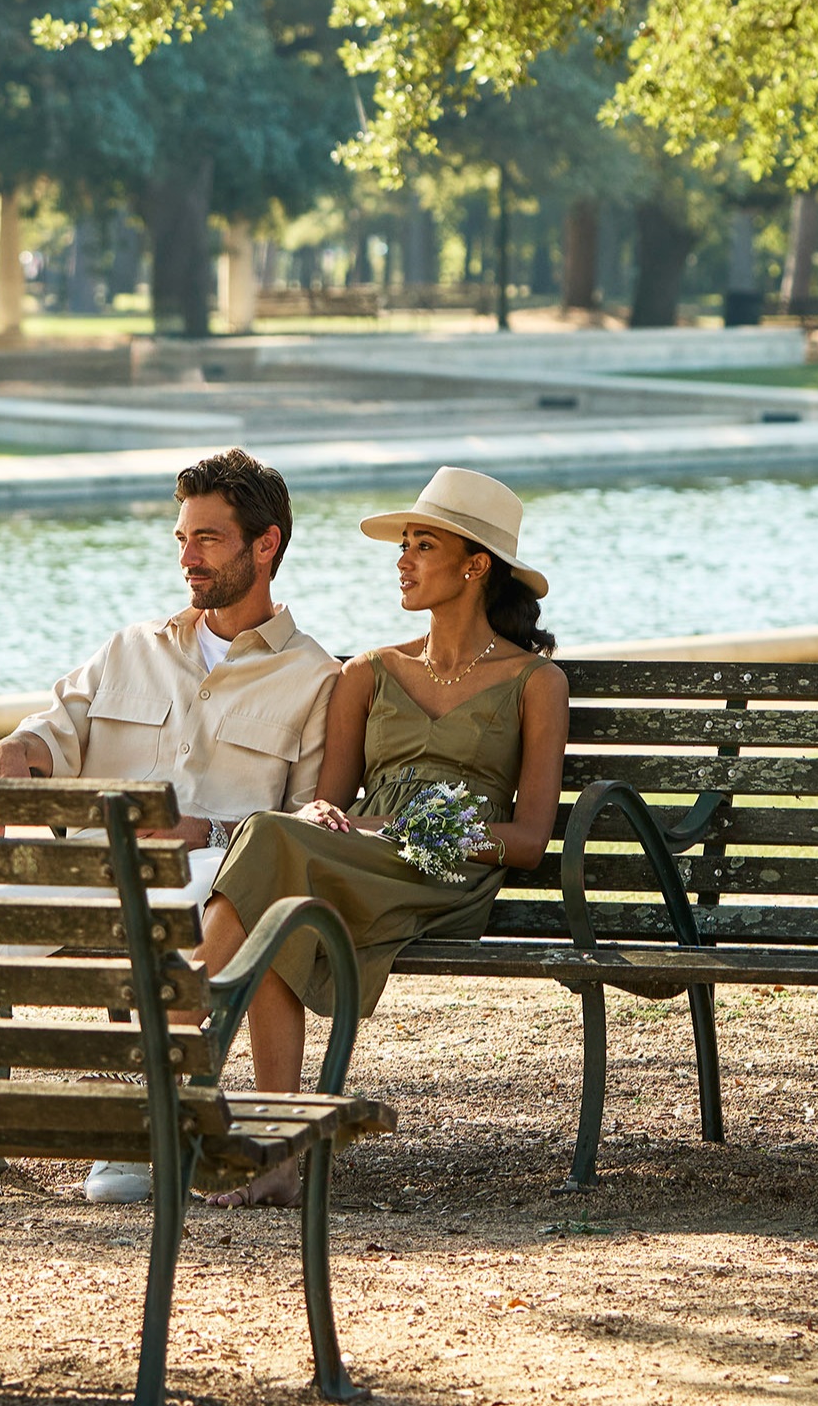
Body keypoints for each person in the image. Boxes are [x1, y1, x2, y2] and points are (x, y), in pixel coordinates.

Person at [0, 447, 338, 1207]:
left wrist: (210, 828)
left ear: (266, 543)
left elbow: (308, 826)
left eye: (207, 538)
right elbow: (53, 732)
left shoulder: (314, 675)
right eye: (181, 537)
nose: (186, 556)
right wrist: (18, 751)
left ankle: (145, 1130)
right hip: (100, 862)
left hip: (217, 876)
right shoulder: (130, 648)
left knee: (172, 915)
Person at [191, 465, 570, 1207]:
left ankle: (176, 1021)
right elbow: (324, 807)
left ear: (475, 565)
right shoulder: (366, 671)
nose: (402, 558)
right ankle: (275, 1148)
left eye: (422, 544)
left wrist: (391, 826)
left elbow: (527, 840)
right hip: (356, 854)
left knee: (273, 860)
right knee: (278, 877)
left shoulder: (536, 681)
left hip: (451, 872)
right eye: (404, 543)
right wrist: (335, 822)